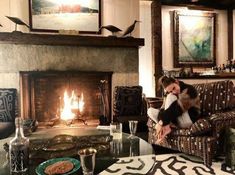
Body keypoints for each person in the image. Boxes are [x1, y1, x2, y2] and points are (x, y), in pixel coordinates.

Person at [147, 76, 200, 143]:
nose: (174, 91)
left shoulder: (189, 89)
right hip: (176, 119)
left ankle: (166, 126)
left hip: (188, 120)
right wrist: (162, 121)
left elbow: (178, 108)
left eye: (174, 88)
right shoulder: (171, 94)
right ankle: (167, 126)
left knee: (170, 97)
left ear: (176, 82)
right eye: (170, 91)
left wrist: (161, 122)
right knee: (150, 111)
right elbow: (164, 109)